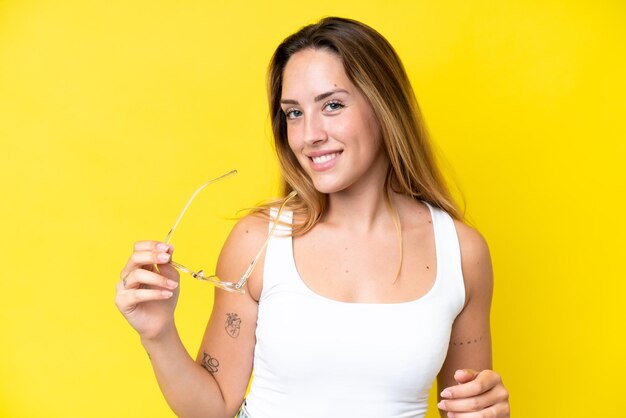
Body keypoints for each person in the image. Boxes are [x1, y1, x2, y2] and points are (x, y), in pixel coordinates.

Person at [115, 17, 510, 418]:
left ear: (385, 106)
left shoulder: (461, 253)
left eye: (332, 105)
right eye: (294, 113)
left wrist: (486, 410)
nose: (309, 135)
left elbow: (464, 406)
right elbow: (213, 408)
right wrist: (158, 334)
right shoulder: (258, 242)